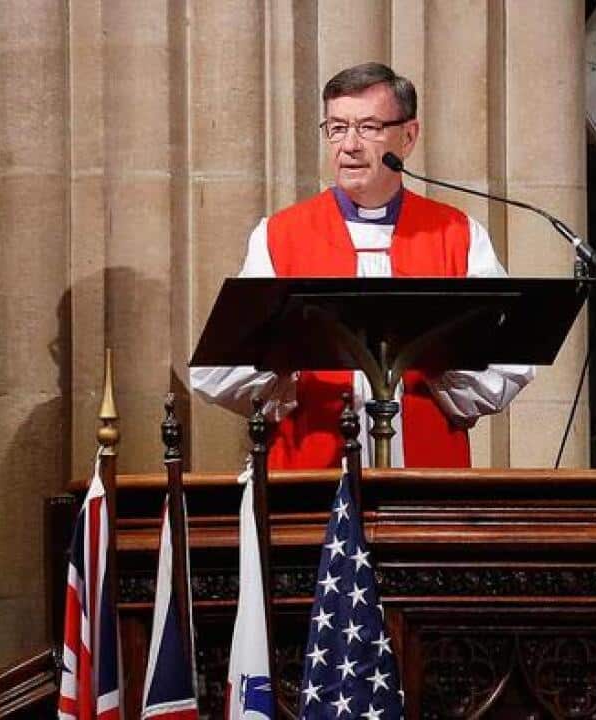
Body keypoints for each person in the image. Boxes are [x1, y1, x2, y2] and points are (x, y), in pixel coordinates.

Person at [190, 62, 534, 469]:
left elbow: (508, 366)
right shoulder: (280, 236)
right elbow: (217, 371)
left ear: (408, 137)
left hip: (425, 488)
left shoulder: (457, 235)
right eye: (337, 128)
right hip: (313, 488)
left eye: (369, 128)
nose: (349, 145)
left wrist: (440, 363)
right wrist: (283, 364)